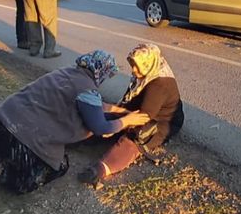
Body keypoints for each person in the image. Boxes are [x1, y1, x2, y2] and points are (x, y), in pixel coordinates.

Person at [0, 50, 150, 193]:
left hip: (0, 120)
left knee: (4, 146)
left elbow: (93, 104)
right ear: (102, 71)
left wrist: (118, 110)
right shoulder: (87, 90)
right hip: (21, 137)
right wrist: (127, 120)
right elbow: (100, 127)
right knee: (56, 167)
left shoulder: (67, 73)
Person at [78, 44, 184, 188]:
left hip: (161, 120)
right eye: (132, 65)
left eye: (136, 66)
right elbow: (128, 102)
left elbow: (144, 117)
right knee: (104, 118)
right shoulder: (145, 74)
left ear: (148, 63)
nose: (133, 70)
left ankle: (101, 169)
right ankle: (77, 138)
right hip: (139, 111)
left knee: (135, 137)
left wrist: (118, 126)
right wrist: (115, 119)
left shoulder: (159, 84)